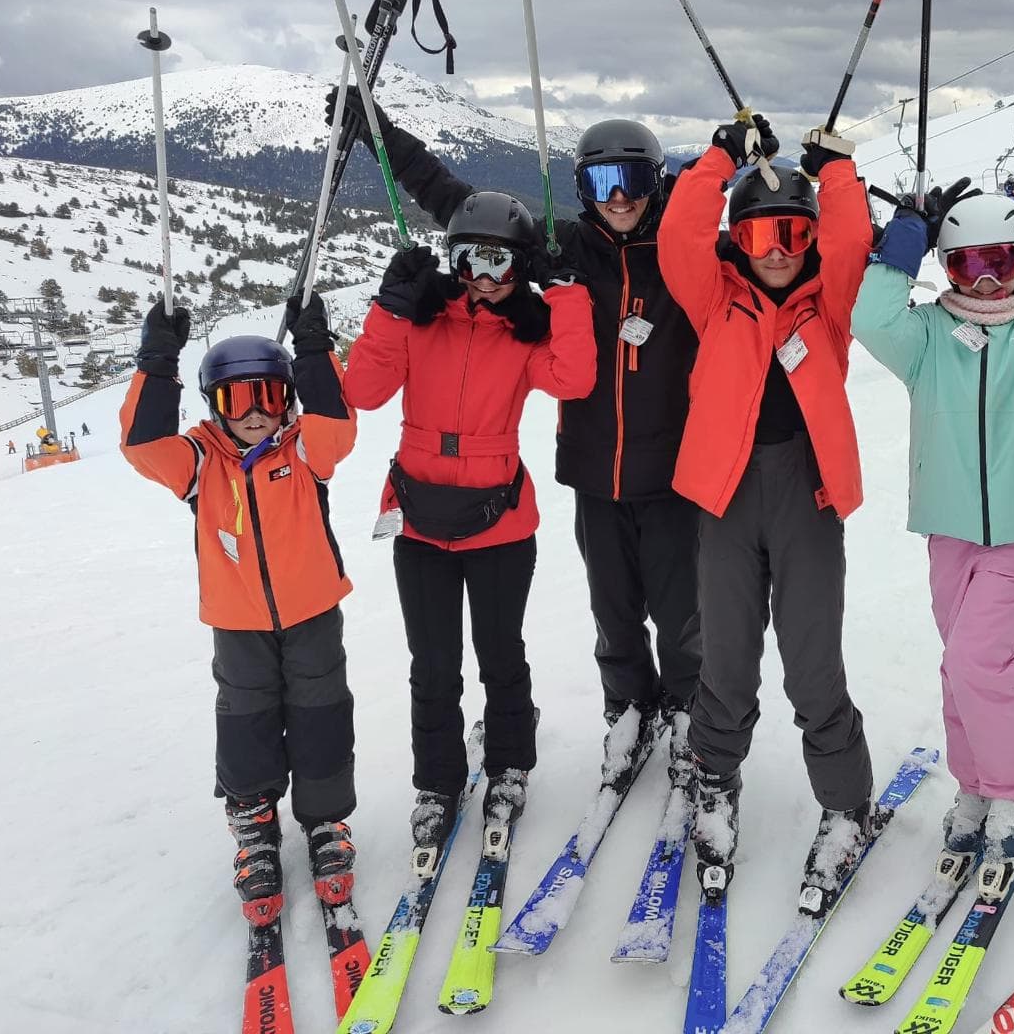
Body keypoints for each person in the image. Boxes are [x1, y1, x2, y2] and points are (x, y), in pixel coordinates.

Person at [332, 93, 702, 793]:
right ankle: (629, 709)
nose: (617, 199)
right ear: (581, 192)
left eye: (633, 183)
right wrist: (380, 137)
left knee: (682, 613)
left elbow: (760, 243)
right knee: (614, 611)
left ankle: (687, 714)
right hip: (596, 471)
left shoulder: (684, 253)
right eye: (600, 184)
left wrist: (727, 165)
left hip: (672, 470)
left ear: (657, 185)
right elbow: (457, 206)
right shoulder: (564, 249)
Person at [851, 183, 1014, 898]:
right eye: (969, 265)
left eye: (1004, 260)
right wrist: (904, 237)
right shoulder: (925, 339)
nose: (990, 279)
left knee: (978, 662)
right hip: (948, 529)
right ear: (947, 266)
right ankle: (976, 783)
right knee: (959, 666)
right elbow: (870, 316)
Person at [658, 115, 875, 907]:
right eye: (757, 236)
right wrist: (723, 156)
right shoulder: (715, 299)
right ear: (737, 244)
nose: (777, 248)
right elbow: (680, 230)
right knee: (726, 660)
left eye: (791, 232)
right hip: (725, 495)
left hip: (807, 498)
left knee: (813, 664)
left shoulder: (831, 305)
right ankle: (713, 781)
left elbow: (852, 245)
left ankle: (847, 803)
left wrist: (838, 173)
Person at [341, 194, 596, 868]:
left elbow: (576, 377)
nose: (483, 278)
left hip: (499, 523)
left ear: (521, 267)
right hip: (421, 520)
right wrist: (391, 309)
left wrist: (565, 294)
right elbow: (363, 392)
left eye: (500, 262)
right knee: (432, 664)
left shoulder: (525, 330)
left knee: (499, 653)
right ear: (450, 260)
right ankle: (437, 780)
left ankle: (510, 764)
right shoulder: (421, 321)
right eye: (469, 260)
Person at [118, 295, 360, 927]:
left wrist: (313, 350)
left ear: (287, 399)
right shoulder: (198, 460)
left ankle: (326, 822)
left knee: (321, 714)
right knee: (247, 721)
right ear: (212, 405)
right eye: (235, 400)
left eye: (269, 397)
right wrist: (157, 361)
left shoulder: (306, 448)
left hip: (311, 614)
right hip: (238, 621)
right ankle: (255, 828)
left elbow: (338, 427)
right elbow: (144, 445)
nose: (254, 414)